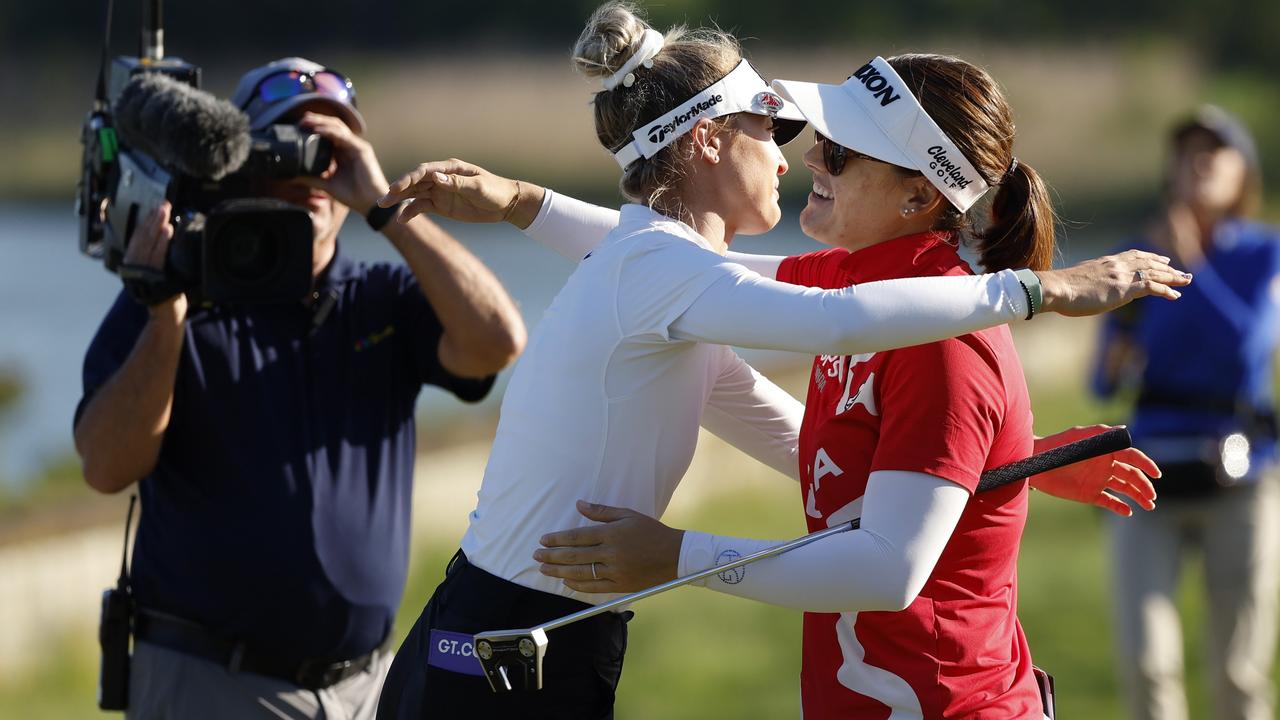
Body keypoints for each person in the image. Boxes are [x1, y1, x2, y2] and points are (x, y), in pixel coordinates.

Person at [374, 5, 1185, 718]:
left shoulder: (739, 286)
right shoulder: (710, 273)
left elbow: (847, 464)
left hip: (921, 699)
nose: (804, 160)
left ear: (919, 195)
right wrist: (1040, 299)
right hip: (503, 650)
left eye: (834, 151)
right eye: (786, 133)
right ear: (706, 142)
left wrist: (1003, 440)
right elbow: (824, 357)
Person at [73, 57, 526, 720]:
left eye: (332, 151)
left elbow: (498, 341)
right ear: (238, 165)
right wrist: (164, 310)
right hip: (211, 681)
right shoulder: (178, 292)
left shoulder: (381, 300)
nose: (313, 176)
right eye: (286, 146)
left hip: (364, 689)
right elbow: (106, 467)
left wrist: (384, 204)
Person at [1090, 106, 1280, 720]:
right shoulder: (1135, 259)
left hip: (1244, 474)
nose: (1197, 163)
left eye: (1214, 152)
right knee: (1147, 663)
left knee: (1239, 670)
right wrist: (1120, 333)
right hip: (1147, 472)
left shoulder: (1264, 254)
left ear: (1242, 172)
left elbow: (1248, 343)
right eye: (1187, 152)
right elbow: (1101, 383)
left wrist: (1191, 261)